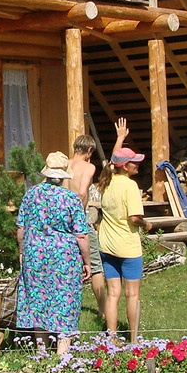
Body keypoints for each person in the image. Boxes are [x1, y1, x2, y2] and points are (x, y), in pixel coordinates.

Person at [16, 151, 93, 354]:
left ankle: (42, 350)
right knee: (66, 300)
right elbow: (82, 235)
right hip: (64, 258)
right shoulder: (70, 199)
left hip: (35, 254)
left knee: (38, 299)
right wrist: (87, 261)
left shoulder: (31, 194)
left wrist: (22, 252)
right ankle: (63, 354)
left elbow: (21, 228)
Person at [97, 119, 154, 343]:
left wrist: (120, 138)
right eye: (133, 162)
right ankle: (133, 338)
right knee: (132, 295)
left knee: (113, 294)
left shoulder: (106, 180)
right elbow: (134, 217)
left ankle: (111, 337)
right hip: (128, 248)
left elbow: (112, 161)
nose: (137, 165)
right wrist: (146, 225)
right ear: (125, 166)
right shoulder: (130, 186)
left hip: (107, 245)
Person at [67, 134, 107, 318]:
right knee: (96, 265)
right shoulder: (89, 167)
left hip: (61, 218)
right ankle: (102, 308)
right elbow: (82, 191)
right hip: (78, 217)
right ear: (89, 150)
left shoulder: (64, 164)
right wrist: (79, 214)